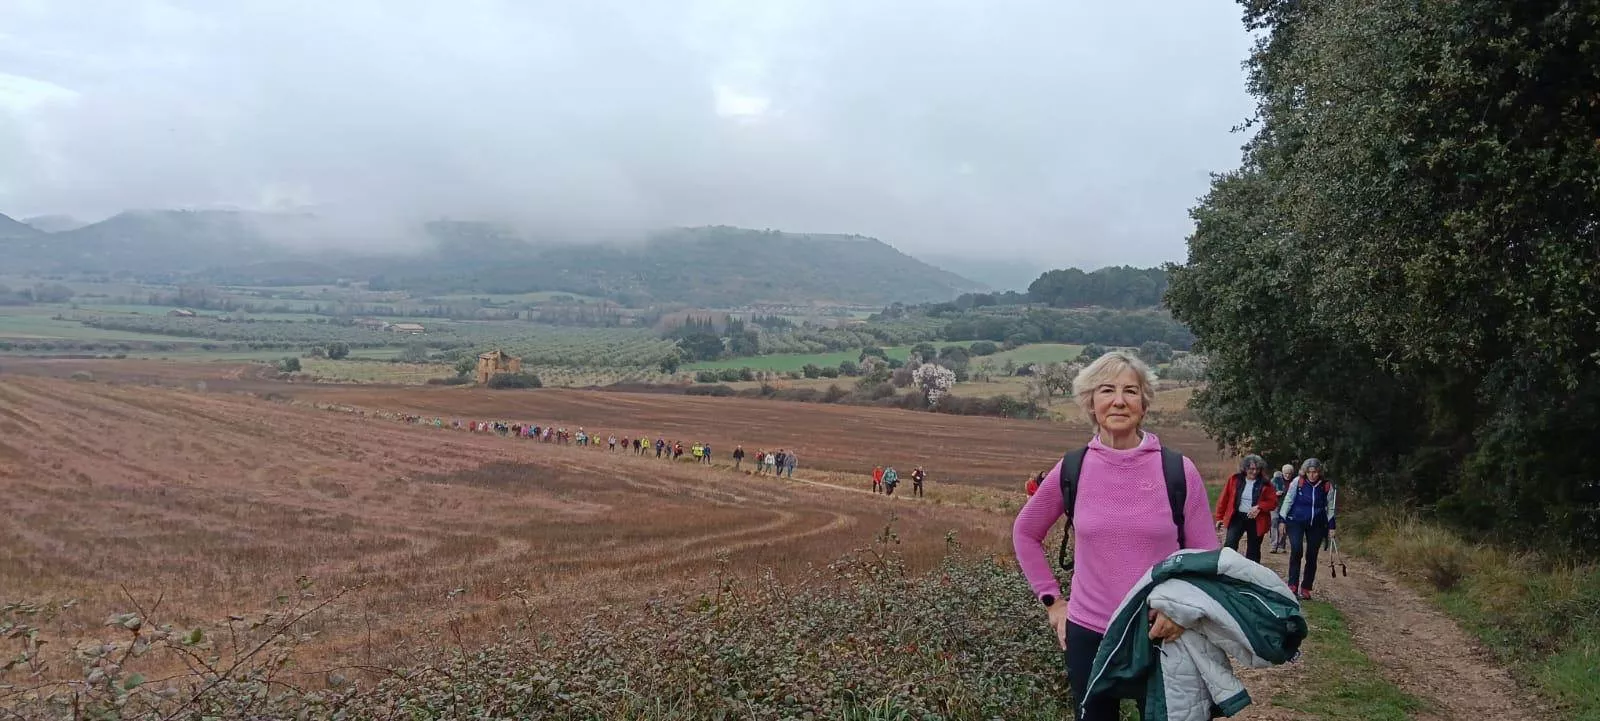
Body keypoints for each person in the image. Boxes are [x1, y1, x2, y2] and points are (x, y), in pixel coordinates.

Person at [1012, 351, 1220, 721]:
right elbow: (1025, 532)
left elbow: (1205, 555)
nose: (1119, 400)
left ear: (1144, 403)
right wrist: (1053, 603)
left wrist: (1182, 613)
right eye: (1107, 390)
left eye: (1131, 391)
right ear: (1091, 403)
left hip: (1162, 630)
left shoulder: (1177, 470)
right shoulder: (1072, 468)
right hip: (1089, 633)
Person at [1279, 458, 1337, 600]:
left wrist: (1332, 526)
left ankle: (1306, 587)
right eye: (1309, 472)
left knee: (1312, 555)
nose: (1312, 475)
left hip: (1317, 523)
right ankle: (1292, 584)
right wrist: (1282, 519)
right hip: (1296, 521)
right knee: (1297, 550)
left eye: (1315, 472)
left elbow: (1330, 507)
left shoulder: (1326, 486)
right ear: (1305, 472)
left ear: (1319, 472)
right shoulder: (1298, 482)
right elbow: (1288, 500)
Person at [1213, 455, 1278, 563]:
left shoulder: (1266, 483)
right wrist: (1219, 517)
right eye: (1251, 469)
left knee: (1254, 549)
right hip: (1237, 516)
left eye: (1257, 469)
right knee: (1230, 544)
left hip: (1256, 519)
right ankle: (1226, 568)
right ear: (1245, 468)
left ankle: (1251, 575)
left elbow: (1273, 502)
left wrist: (1259, 507)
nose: (1254, 472)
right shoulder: (1235, 480)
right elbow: (1224, 498)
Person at [1269, 463, 1293, 553]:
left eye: (1289, 473)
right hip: (1275, 505)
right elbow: (1268, 493)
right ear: (1282, 473)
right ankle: (1273, 545)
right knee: (1274, 521)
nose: (1287, 475)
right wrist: (1275, 493)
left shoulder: (1293, 482)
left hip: (1286, 507)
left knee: (1283, 524)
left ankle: (1281, 545)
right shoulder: (1275, 480)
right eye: (1286, 473)